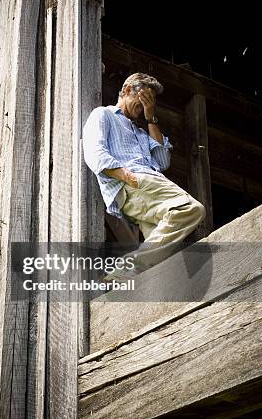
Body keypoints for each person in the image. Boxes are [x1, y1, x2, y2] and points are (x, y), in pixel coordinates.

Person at [82, 72, 206, 280]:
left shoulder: (141, 133)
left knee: (164, 261)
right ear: (128, 90)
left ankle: (125, 275)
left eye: (150, 102)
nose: (145, 106)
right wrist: (129, 178)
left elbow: (163, 161)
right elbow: (95, 154)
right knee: (192, 209)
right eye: (143, 100)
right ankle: (129, 267)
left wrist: (151, 117)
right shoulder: (103, 115)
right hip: (136, 183)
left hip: (147, 187)